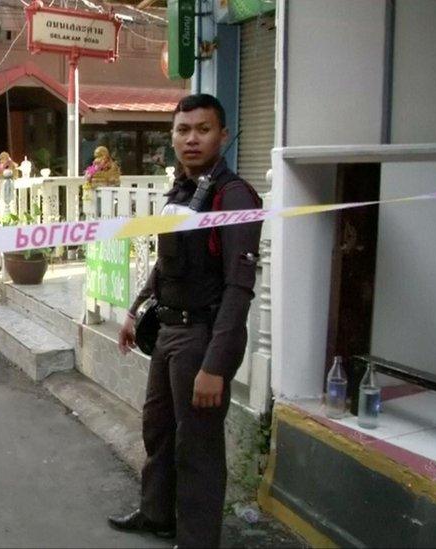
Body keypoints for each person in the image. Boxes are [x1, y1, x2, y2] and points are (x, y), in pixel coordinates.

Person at [108, 94, 262, 548]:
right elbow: (168, 262)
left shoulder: (233, 196)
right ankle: (158, 515)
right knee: (158, 429)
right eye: (182, 130)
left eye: (203, 129)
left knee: (197, 447)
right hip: (169, 331)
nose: (191, 138)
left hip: (202, 335)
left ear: (223, 135)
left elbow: (239, 288)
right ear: (172, 136)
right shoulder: (180, 190)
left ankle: (197, 540)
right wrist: (136, 310)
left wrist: (215, 365)